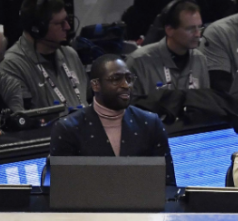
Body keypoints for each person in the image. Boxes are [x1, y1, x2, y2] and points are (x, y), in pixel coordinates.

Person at [50, 54, 176, 186]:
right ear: (95, 85)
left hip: (143, 199)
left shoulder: (150, 123)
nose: (126, 85)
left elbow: (167, 184)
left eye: (129, 79)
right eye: (116, 79)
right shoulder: (68, 128)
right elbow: (63, 189)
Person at [0, 0, 88, 110]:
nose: (67, 27)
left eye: (67, 20)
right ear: (38, 29)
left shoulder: (70, 55)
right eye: (60, 23)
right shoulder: (12, 66)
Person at [127, 0, 210, 99]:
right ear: (169, 30)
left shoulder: (200, 59)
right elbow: (127, 105)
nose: (197, 34)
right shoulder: (139, 61)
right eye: (190, 29)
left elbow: (205, 102)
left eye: (199, 27)